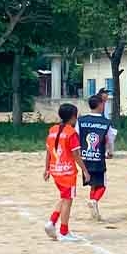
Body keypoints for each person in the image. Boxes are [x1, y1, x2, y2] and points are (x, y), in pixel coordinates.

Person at [43, 103, 90, 242]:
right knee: (68, 201)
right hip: (67, 172)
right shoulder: (71, 133)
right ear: (73, 117)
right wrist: (85, 170)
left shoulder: (52, 130)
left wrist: (46, 169)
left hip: (55, 170)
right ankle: (64, 231)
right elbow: (76, 155)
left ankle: (51, 222)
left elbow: (48, 152)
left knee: (64, 197)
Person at [77, 95, 117, 221]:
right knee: (102, 185)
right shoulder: (106, 122)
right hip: (98, 158)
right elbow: (110, 140)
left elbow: (75, 136)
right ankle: (94, 200)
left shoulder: (80, 120)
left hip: (84, 158)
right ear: (100, 105)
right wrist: (110, 152)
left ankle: (94, 212)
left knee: (93, 185)